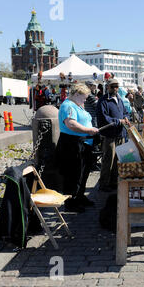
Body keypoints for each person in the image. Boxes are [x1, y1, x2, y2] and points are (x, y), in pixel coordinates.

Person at [55, 83, 100, 212]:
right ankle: (71, 202)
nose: (85, 99)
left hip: (84, 143)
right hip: (72, 144)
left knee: (83, 173)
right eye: (84, 97)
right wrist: (89, 130)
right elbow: (71, 124)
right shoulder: (68, 105)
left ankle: (79, 196)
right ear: (76, 94)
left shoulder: (78, 105)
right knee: (73, 174)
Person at [96, 78, 131, 192]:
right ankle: (104, 184)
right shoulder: (103, 101)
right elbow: (103, 117)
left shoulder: (119, 99)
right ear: (108, 87)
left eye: (117, 86)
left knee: (117, 159)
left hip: (120, 133)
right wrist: (118, 121)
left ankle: (113, 182)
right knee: (108, 160)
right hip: (109, 134)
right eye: (113, 86)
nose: (115, 88)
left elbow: (125, 112)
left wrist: (126, 117)